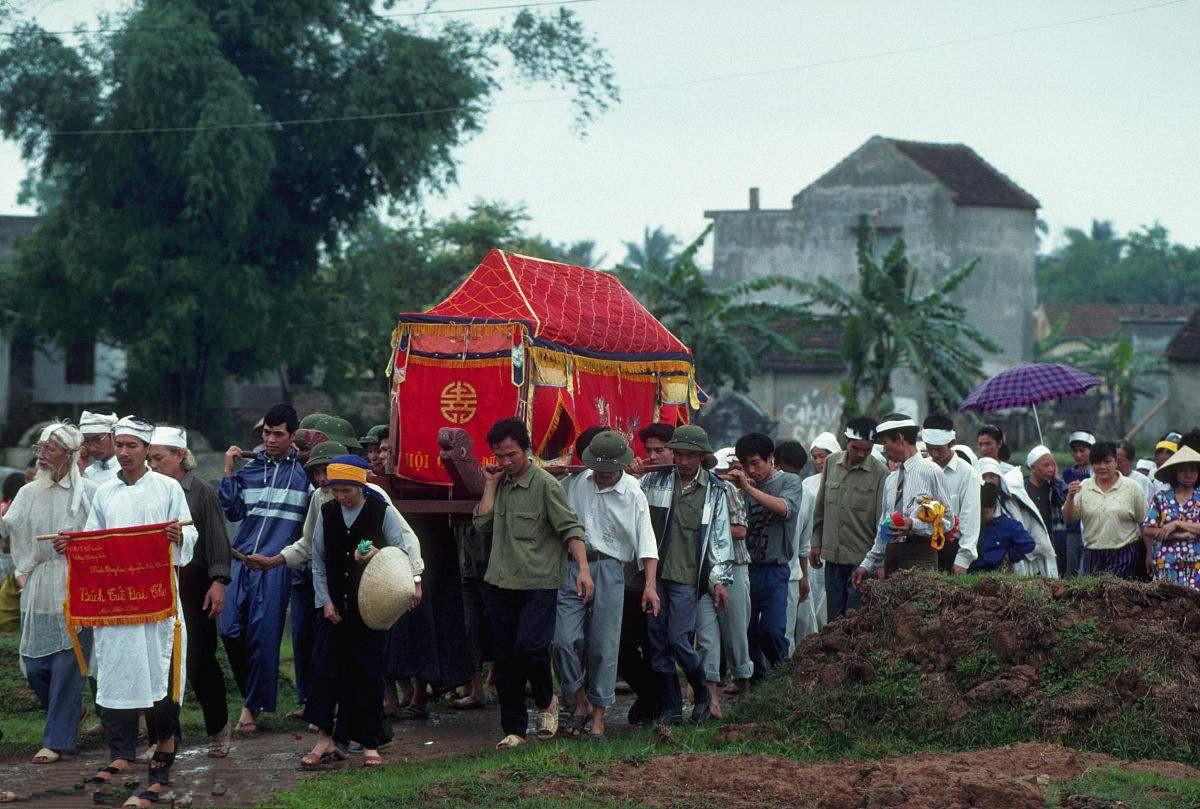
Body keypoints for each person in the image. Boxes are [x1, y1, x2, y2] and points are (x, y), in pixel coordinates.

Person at [70, 416, 196, 807]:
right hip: (118, 605)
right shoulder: (105, 492)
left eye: (132, 446)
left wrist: (180, 536)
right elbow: (95, 539)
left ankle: (160, 771)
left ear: (146, 450)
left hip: (157, 605)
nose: (124, 453)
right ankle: (120, 756)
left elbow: (189, 532)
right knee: (117, 680)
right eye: (119, 445)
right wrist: (72, 547)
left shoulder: (168, 488)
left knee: (159, 680)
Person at [474, 418, 591, 749]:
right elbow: (482, 523)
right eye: (499, 456)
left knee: (532, 647)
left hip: (538, 582)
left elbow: (571, 529)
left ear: (525, 449)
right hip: (499, 581)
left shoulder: (545, 485)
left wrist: (583, 568)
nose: (505, 462)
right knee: (506, 658)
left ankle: (545, 700)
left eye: (511, 455)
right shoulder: (501, 483)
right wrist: (490, 485)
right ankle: (514, 729)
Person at [304, 456, 418, 768]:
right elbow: (318, 561)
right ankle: (324, 738)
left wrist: (379, 556)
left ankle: (369, 741)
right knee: (326, 671)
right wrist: (324, 601)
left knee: (368, 671)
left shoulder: (381, 510)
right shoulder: (326, 513)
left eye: (347, 491)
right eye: (335, 491)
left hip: (371, 604)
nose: (341, 497)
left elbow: (402, 550)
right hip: (333, 605)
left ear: (361, 487)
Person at [552, 431, 658, 740]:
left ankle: (599, 716)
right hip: (573, 565)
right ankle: (579, 699)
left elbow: (647, 544)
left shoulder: (633, 492)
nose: (605, 474)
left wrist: (649, 585)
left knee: (603, 645)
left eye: (611, 469)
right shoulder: (574, 483)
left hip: (612, 568)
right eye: (600, 468)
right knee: (562, 639)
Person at [2, 423, 97, 764]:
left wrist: (77, 543)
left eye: (50, 449)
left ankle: (56, 741)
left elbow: (104, 536)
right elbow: (10, 527)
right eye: (40, 447)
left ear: (70, 455)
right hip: (40, 583)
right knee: (35, 665)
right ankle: (73, 711)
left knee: (68, 666)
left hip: (78, 585)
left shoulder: (90, 492)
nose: (41, 454)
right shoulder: (29, 492)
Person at [219, 404, 311, 733]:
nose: (270, 439)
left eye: (278, 434)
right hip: (242, 559)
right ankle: (253, 694)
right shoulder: (251, 470)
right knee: (228, 627)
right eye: (266, 433)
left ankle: (250, 708)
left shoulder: (304, 473)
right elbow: (232, 513)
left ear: (292, 436)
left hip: (276, 564)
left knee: (263, 634)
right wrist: (229, 470)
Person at [147, 426, 232, 758]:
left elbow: (216, 541)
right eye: (150, 458)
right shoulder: (147, 491)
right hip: (157, 585)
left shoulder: (200, 491)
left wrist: (218, 582)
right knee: (158, 664)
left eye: (159, 457)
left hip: (193, 584)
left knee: (199, 660)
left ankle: (218, 728)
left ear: (180, 456)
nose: (153, 464)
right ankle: (165, 738)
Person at [640, 425, 732, 723]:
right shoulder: (653, 481)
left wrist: (718, 580)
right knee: (656, 642)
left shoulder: (716, 490)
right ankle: (671, 706)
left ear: (702, 457)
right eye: (679, 454)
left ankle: (702, 691)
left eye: (690, 455)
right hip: (654, 576)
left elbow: (720, 539)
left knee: (679, 639)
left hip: (687, 578)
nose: (683, 461)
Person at [726, 433, 803, 683]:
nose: (752, 470)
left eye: (756, 463)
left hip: (775, 569)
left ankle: (783, 675)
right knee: (745, 632)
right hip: (746, 568)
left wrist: (748, 487)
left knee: (771, 629)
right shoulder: (740, 485)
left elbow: (784, 509)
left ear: (771, 459)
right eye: (745, 464)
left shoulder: (789, 481)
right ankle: (758, 682)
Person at [854, 414, 954, 585]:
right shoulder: (890, 480)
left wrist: (913, 524)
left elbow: (947, 520)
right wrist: (866, 564)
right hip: (892, 559)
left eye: (886, 443)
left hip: (922, 560)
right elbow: (883, 528)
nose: (884, 449)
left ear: (900, 439)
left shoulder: (931, 472)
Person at [811, 417, 887, 620]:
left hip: (861, 562)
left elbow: (882, 522)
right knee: (833, 619)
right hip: (833, 558)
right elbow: (821, 509)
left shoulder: (881, 474)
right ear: (846, 441)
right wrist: (816, 543)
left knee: (854, 621)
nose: (861, 454)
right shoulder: (831, 463)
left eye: (867, 450)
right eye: (856, 449)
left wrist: (880, 563)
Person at [702, 448, 750, 702]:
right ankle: (711, 694)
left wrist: (707, 532)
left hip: (733, 565)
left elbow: (741, 530)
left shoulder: (725, 489)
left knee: (735, 631)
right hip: (702, 569)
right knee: (707, 634)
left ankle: (744, 685)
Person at [1064, 441, 1147, 580]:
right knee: (1094, 597)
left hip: (1124, 552)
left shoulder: (1132, 487)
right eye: (1097, 462)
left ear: (1116, 462)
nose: (1102, 467)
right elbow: (1068, 519)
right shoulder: (1083, 487)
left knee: (1117, 595)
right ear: (1092, 464)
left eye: (1107, 462)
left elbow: (1142, 519)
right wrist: (1070, 497)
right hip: (1092, 552)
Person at [792, 432, 838, 640]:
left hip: (836, 547)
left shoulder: (842, 482)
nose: (819, 461)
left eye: (823, 456)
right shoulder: (808, 483)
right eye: (815, 457)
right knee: (813, 593)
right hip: (812, 548)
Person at [920, 415, 980, 574]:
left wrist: (963, 559)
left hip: (952, 548)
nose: (934, 454)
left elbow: (970, 518)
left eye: (939, 449)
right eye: (929, 448)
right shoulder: (922, 468)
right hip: (922, 546)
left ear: (952, 444)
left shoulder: (967, 474)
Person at [1141, 446, 1200, 591]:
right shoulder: (1161, 497)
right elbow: (1147, 528)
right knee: (1167, 607)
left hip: (1196, 565)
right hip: (1167, 563)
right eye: (1183, 470)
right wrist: (1178, 535)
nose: (1189, 474)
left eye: (1193, 470)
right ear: (1175, 473)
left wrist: (1177, 523)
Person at [970, 483, 1036, 572]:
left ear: (994, 508)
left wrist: (1009, 556)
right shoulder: (972, 523)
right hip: (973, 571)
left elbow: (1028, 543)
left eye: (985, 512)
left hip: (996, 572)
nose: (982, 516)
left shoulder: (1008, 525)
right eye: (979, 512)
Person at [79, 411, 120, 484]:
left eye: (97, 440)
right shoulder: (85, 472)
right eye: (86, 441)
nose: (92, 448)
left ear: (114, 435)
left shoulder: (133, 470)